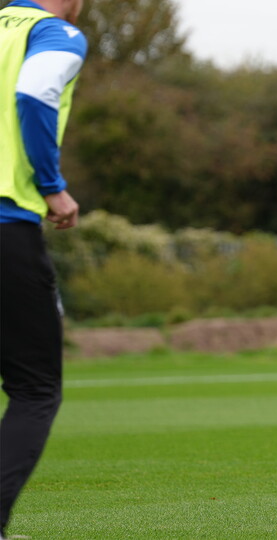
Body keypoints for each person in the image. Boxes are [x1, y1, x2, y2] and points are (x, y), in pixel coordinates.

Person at [0, 0, 86, 537]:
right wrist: (53, 187)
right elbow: (34, 91)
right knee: (34, 390)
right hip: (6, 222)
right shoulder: (54, 32)